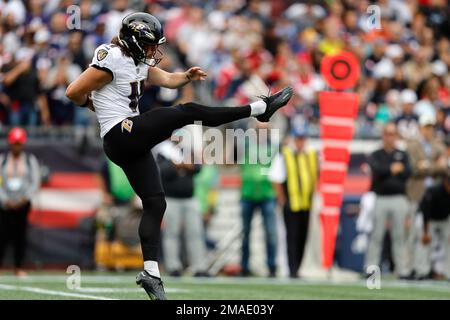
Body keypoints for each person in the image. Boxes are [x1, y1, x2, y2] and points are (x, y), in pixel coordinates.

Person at [65, 12, 293, 300]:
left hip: (127, 139)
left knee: (156, 202)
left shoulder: (136, 61)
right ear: (134, 41)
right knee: (187, 113)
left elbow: (168, 80)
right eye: (149, 45)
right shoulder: (111, 57)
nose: (154, 52)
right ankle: (260, 109)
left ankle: (151, 273)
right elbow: (73, 91)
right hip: (120, 133)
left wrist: (185, 77)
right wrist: (93, 106)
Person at [269, 126, 318, 278]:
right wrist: (282, 199)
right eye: (298, 139)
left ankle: (297, 267)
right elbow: (275, 178)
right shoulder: (284, 154)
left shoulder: (311, 155)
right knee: (292, 236)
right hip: (291, 203)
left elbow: (315, 176)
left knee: (303, 237)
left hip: (306, 203)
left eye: (302, 139)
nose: (300, 142)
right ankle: (292, 269)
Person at [154, 139, 209, 277]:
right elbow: (162, 171)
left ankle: (199, 267)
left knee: (195, 233)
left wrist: (181, 165)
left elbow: (197, 167)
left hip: (189, 198)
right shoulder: (162, 151)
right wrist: (179, 166)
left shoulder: (187, 150)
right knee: (171, 234)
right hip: (171, 198)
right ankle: (173, 266)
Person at [365, 122, 412, 279]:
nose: (390, 137)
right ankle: (371, 270)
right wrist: (392, 168)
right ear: (383, 135)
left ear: (396, 136)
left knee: (399, 236)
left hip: (399, 198)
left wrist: (389, 170)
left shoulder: (402, 154)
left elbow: (407, 172)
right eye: (388, 133)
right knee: (377, 235)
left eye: (393, 134)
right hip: (381, 198)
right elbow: (377, 170)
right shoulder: (377, 153)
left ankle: (403, 270)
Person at [405, 114, 447, 278]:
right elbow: (414, 170)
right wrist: (435, 165)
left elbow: (445, 168)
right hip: (418, 195)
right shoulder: (413, 145)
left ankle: (427, 269)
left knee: (431, 237)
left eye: (431, 127)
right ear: (420, 128)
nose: (428, 131)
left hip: (435, 198)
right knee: (413, 235)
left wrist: (427, 166)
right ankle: (409, 268)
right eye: (426, 127)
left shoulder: (439, 145)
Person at [0, 127, 41, 277]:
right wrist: (6, 200)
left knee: (21, 235)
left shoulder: (30, 161)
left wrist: (24, 199)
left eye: (19, 143)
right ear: (10, 143)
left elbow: (34, 182)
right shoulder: (3, 160)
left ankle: (18, 266)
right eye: (14, 143)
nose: (16, 146)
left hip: (23, 204)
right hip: (5, 205)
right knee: (2, 235)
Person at [239, 121, 277, 277]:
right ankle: (245, 266)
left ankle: (271, 266)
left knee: (270, 233)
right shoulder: (246, 145)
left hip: (267, 194)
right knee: (245, 233)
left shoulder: (274, 148)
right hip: (247, 194)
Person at [420, 164, 450, 280]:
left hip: (445, 219)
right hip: (429, 219)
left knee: (448, 244)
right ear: (446, 182)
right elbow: (425, 212)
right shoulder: (433, 191)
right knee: (424, 243)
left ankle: (446, 272)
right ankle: (422, 271)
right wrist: (425, 232)